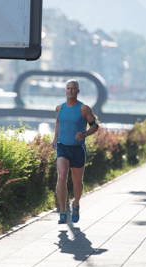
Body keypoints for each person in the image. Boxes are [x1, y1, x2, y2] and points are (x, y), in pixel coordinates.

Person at [52, 79, 99, 224]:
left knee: (77, 182)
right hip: (62, 147)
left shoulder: (84, 109)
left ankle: (76, 204)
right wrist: (54, 139)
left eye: (74, 88)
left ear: (78, 91)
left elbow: (95, 126)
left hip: (77, 149)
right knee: (62, 176)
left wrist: (84, 134)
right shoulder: (59, 108)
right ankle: (63, 211)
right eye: (68, 88)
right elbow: (58, 123)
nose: (71, 91)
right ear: (65, 90)